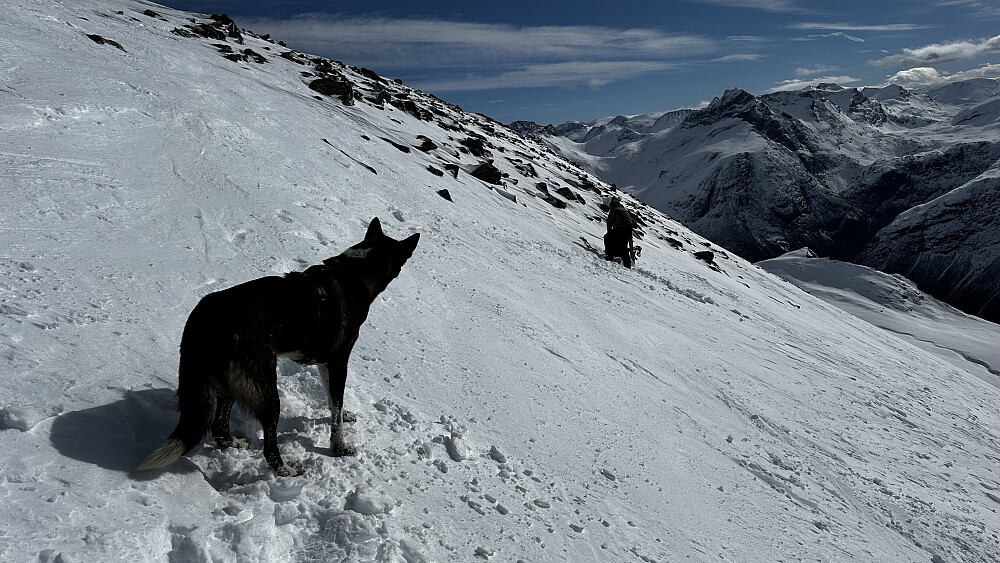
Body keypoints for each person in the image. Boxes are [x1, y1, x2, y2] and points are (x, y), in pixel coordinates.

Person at [604, 197, 635, 268]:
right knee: (623, 246)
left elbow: (609, 224)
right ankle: (627, 264)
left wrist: (609, 232)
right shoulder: (624, 210)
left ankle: (610, 255)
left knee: (607, 237)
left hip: (621, 228)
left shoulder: (614, 210)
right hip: (628, 229)